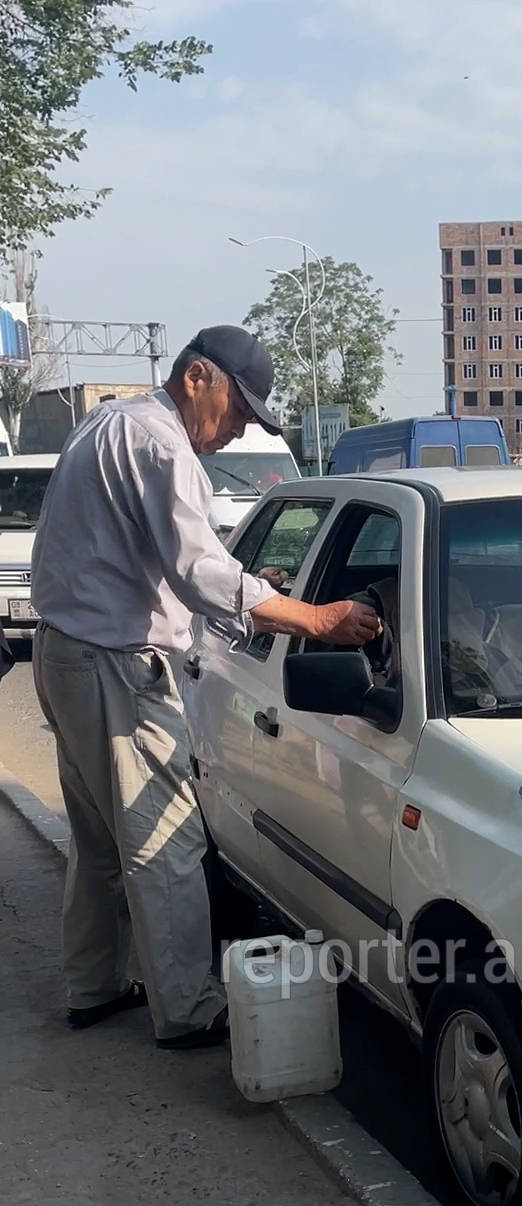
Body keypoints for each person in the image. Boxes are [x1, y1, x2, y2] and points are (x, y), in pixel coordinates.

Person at [30, 325, 382, 1050]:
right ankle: (189, 1010)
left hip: (66, 653)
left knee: (99, 841)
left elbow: (156, 561)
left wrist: (260, 594)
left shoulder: (107, 423)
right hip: (115, 667)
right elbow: (200, 573)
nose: (240, 427)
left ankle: (93, 986)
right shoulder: (164, 446)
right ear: (198, 378)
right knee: (166, 843)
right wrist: (313, 618)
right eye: (239, 409)